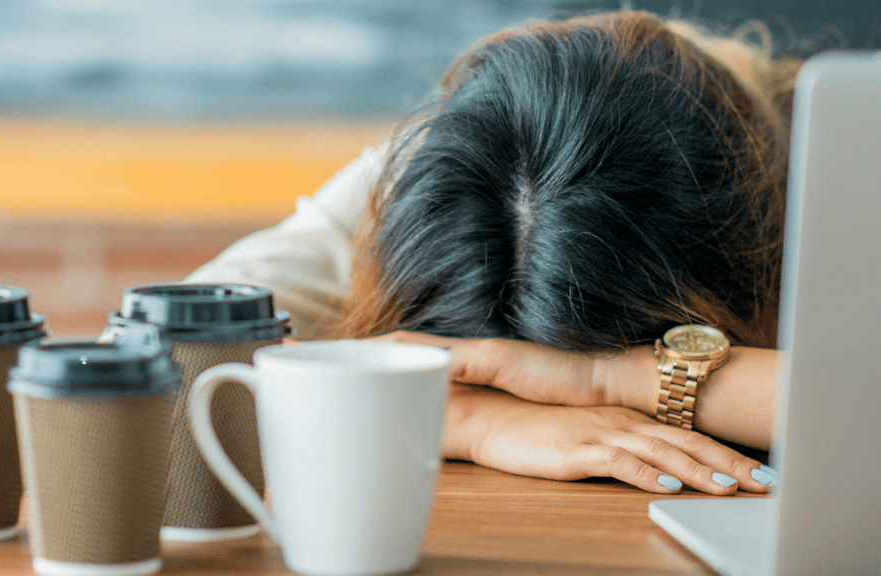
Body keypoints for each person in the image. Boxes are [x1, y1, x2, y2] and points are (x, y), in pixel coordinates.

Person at [185, 10, 800, 496]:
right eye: (511, 384)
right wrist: (466, 419)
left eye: (525, 388)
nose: (535, 400)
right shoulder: (438, 171)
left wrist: (605, 379)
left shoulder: (839, 153)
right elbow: (156, 361)